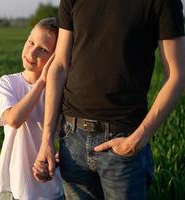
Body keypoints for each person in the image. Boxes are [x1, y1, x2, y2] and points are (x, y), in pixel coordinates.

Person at [33, 0, 185, 199]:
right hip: (72, 137)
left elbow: (177, 75)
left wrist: (138, 139)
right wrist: (46, 140)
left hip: (123, 138)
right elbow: (60, 66)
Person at [0, 17, 63, 200]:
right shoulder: (8, 82)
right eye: (31, 42)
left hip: (49, 189)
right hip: (12, 185)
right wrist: (41, 82)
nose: (32, 53)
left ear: (56, 58)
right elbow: (14, 119)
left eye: (43, 50)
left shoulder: (60, 92)